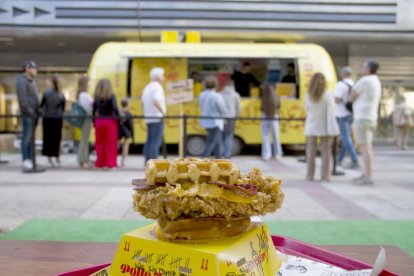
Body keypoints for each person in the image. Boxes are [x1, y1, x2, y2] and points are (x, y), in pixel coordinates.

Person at [348, 60, 381, 185]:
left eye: (363, 66)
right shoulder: (376, 80)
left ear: (368, 69)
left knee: (364, 148)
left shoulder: (365, 80)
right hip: (371, 117)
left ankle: (368, 176)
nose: (361, 68)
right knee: (367, 147)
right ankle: (366, 173)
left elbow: (351, 97)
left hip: (362, 117)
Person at [305, 73, 339, 182]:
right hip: (325, 127)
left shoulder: (308, 95)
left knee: (311, 152)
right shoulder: (328, 94)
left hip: (311, 126)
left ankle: (310, 176)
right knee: (326, 152)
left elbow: (308, 109)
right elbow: (332, 110)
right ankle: (325, 176)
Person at [16, 60, 40, 171]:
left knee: (31, 138)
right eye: (33, 68)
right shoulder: (22, 81)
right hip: (28, 115)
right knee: (26, 137)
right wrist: (29, 112)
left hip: (34, 114)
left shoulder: (32, 81)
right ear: (27, 68)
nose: (35, 70)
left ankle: (31, 159)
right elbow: (23, 100)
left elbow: (35, 97)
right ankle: (26, 159)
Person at [334, 66, 359, 168]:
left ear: (342, 74)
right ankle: (339, 158)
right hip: (352, 113)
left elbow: (337, 98)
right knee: (346, 136)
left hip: (342, 113)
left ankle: (354, 159)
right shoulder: (354, 84)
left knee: (345, 137)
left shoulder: (340, 84)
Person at [199, 75, 229, 158]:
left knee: (217, 142)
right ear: (216, 85)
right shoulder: (216, 96)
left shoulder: (201, 95)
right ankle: (203, 159)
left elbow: (201, 106)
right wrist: (226, 114)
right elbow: (222, 109)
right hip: (215, 121)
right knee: (211, 141)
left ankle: (218, 159)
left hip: (205, 121)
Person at [93, 79, 119, 169]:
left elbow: (94, 111)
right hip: (110, 121)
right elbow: (115, 109)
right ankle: (110, 163)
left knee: (99, 143)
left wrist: (94, 122)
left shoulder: (96, 97)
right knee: (111, 143)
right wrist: (119, 120)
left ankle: (100, 163)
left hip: (99, 121)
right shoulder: (112, 96)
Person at [141, 67, 166, 164]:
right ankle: (153, 163)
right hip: (156, 117)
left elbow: (142, 102)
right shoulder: (157, 87)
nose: (163, 78)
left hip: (149, 117)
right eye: (162, 76)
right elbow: (156, 100)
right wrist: (163, 113)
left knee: (149, 141)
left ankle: (147, 162)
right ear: (159, 77)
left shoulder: (148, 87)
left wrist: (145, 114)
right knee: (155, 142)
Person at [40, 75, 66, 167]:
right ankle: (57, 157)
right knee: (57, 138)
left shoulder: (46, 93)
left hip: (47, 117)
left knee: (48, 138)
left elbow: (42, 105)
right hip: (57, 118)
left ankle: (49, 157)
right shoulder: (61, 94)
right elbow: (63, 108)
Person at [260, 83, 283, 161]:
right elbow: (279, 106)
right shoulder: (276, 97)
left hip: (264, 116)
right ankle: (278, 154)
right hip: (274, 117)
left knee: (265, 136)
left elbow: (261, 108)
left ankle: (266, 154)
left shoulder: (263, 97)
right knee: (276, 136)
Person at [220, 78, 241, 159]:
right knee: (229, 136)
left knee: (221, 136)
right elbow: (238, 107)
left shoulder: (220, 94)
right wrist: (237, 115)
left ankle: (221, 152)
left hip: (222, 118)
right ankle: (227, 154)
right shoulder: (235, 95)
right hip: (231, 117)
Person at [77, 75, 93, 168]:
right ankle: (82, 159)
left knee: (85, 139)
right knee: (84, 140)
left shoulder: (81, 94)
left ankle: (84, 158)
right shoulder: (84, 95)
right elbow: (87, 108)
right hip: (86, 119)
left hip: (85, 119)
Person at [119, 98, 134, 167]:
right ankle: (123, 161)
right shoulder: (128, 114)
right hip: (126, 131)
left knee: (116, 145)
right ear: (127, 104)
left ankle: (114, 159)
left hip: (119, 130)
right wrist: (132, 135)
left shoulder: (119, 112)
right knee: (125, 146)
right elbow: (131, 125)